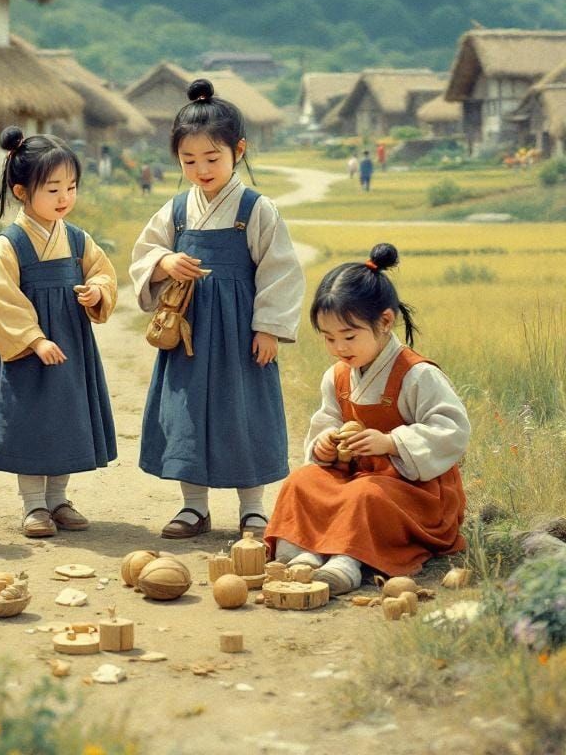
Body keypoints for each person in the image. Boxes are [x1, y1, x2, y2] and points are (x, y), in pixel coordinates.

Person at [130, 79, 304, 540]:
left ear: (238, 150)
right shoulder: (177, 209)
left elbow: (280, 270)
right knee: (186, 415)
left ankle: (252, 508)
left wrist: (268, 328)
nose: (201, 169)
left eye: (212, 158)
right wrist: (164, 261)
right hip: (189, 331)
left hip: (240, 332)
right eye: (189, 160)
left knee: (244, 412)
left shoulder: (255, 208)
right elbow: (144, 253)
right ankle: (193, 507)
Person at [265, 243, 469, 595]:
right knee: (303, 480)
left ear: (385, 322)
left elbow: (452, 430)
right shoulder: (338, 376)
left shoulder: (417, 375)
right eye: (328, 338)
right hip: (360, 476)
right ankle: (302, 551)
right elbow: (326, 423)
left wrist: (391, 442)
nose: (339, 348)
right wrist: (326, 444)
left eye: (349, 336)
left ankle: (347, 560)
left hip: (414, 491)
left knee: (364, 495)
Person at [0, 127, 118, 537]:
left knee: (68, 418)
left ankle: (59, 498)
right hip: (29, 353)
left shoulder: (76, 238)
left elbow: (103, 274)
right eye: (52, 188)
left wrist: (97, 293)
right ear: (21, 191)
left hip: (71, 344)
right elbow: (1, 300)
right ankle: (34, 505)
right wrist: (34, 339)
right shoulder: (11, 243)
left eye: (71, 187)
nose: (64, 198)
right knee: (31, 421)